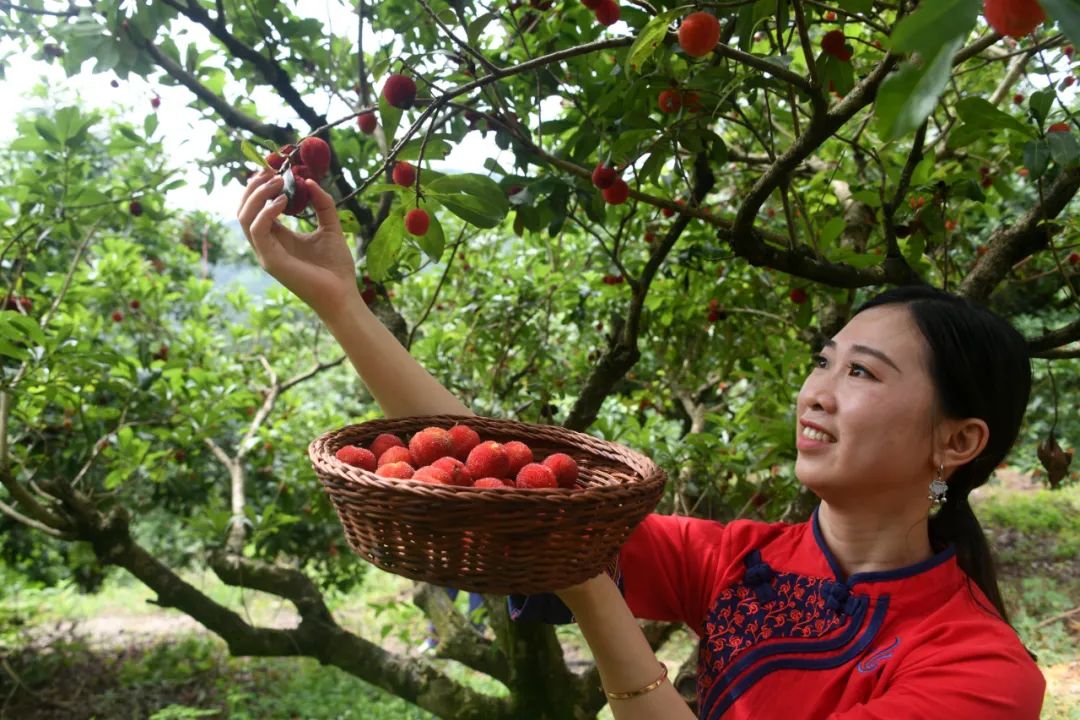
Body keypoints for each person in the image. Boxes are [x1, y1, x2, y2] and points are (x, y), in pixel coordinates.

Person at [237, 169, 1047, 719]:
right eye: (823, 361)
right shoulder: (741, 560)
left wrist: (590, 585)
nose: (818, 392)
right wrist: (344, 306)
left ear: (958, 441)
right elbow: (487, 466)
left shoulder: (983, 672)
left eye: (864, 373)